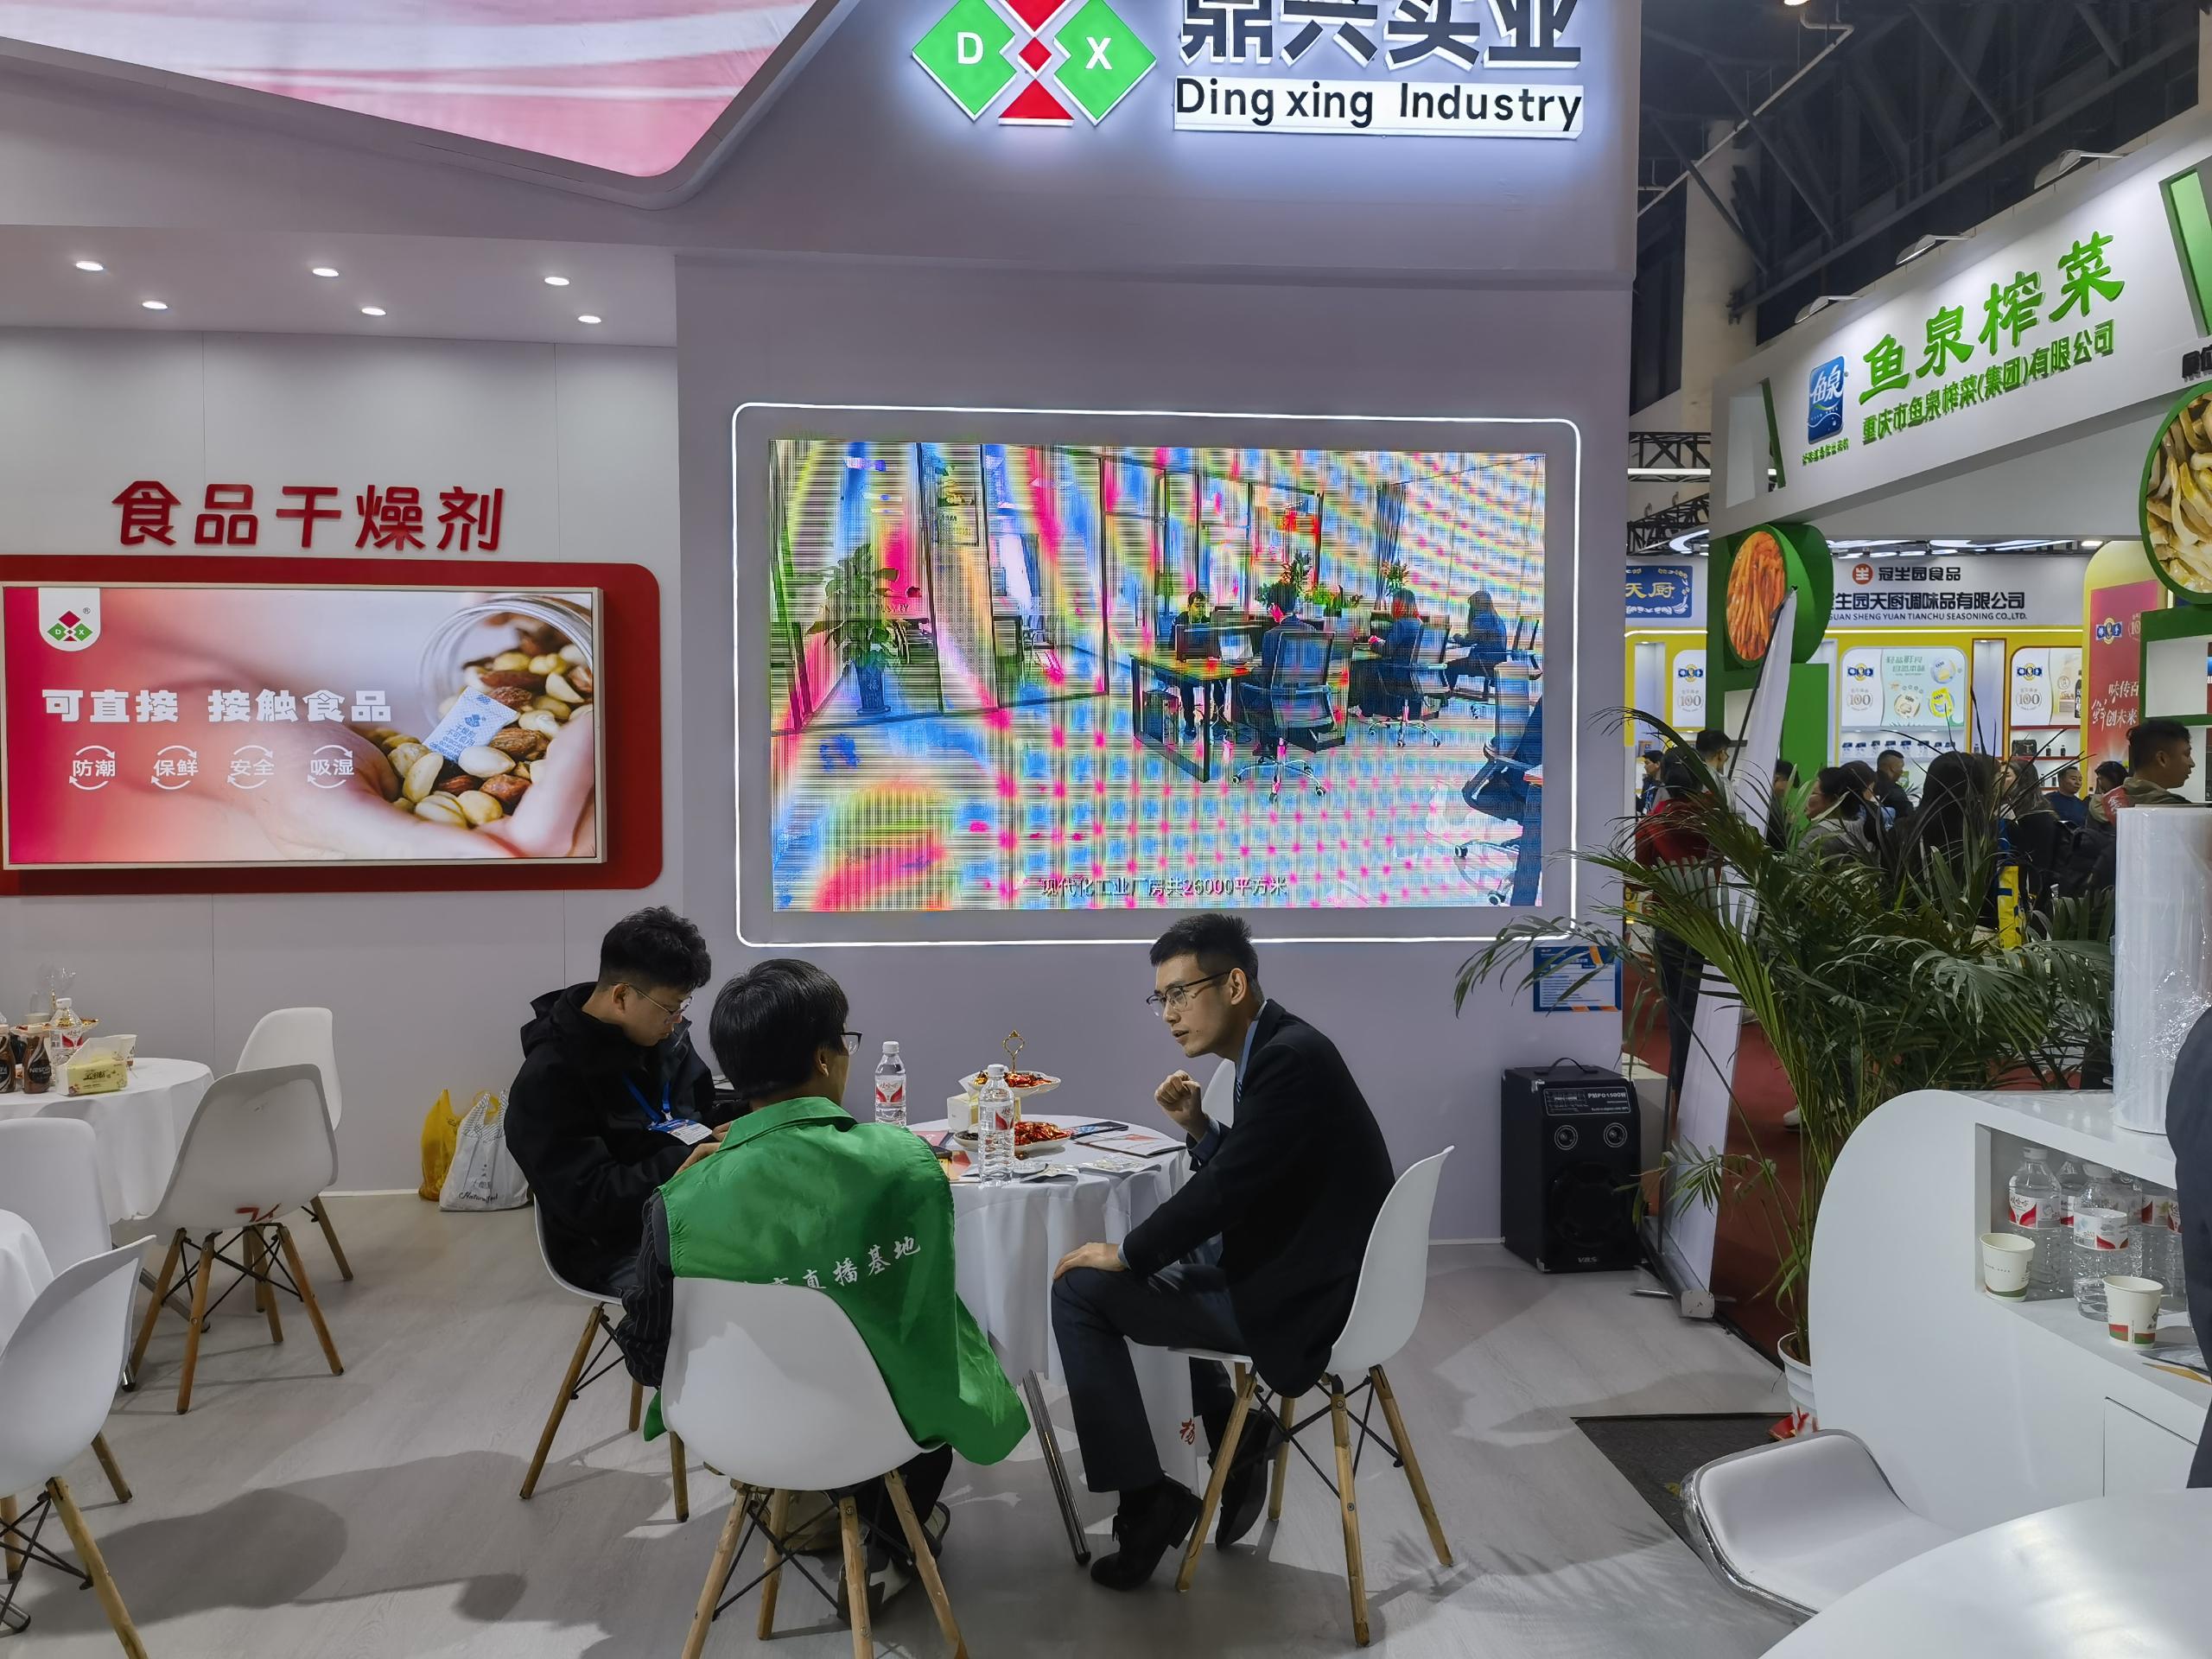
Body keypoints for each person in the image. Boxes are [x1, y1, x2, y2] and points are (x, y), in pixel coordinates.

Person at [616, 959, 1027, 1601]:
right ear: (825, 1057)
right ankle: (889, 1542)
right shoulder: (905, 1161)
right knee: (943, 1385)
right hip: (880, 1426)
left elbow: (646, 1353)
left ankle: (855, 1523)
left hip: (731, 1424)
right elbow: (929, 1319)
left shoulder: (679, 1197)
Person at [1049, 914, 1393, 1591]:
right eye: (1161, 999)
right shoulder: (1283, 1045)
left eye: (1181, 993)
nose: (1169, 1015)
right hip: (1323, 1274)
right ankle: (1228, 1430)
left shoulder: (1285, 1061)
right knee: (1180, 1241)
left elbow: (1229, 1191)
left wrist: (1128, 1254)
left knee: (1080, 1291)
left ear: (1234, 984)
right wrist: (1201, 1128)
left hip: (1306, 1303)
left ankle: (1146, 1499)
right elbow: (1263, 1169)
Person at [506, 907, 728, 1296]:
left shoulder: (666, 1041)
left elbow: (700, 1113)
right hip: (616, 1248)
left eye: (683, 1006)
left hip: (692, 1212)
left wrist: (752, 1118)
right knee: (755, 1279)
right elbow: (592, 1202)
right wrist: (690, 1161)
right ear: (622, 996)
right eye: (670, 1008)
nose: (677, 1020)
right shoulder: (550, 1079)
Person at [1635, 752, 1713, 1117]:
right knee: (1715, 1007)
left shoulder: (1655, 820)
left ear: (1664, 779)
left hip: (1673, 919)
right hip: (1717, 920)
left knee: (1680, 1008)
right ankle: (1714, 1092)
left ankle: (1684, 1089)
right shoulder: (1719, 816)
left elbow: (1642, 872)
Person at [1170, 592, 1226, 738]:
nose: (1201, 609)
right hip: (1185, 665)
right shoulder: (1180, 620)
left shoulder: (1208, 622)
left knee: (1222, 678)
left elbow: (1214, 645)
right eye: (1197, 606)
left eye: (1203, 606)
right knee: (1186, 682)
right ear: (1189, 606)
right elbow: (1172, 646)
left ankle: (1218, 716)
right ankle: (1189, 721)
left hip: (1204, 664)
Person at [1443, 588, 1509, 701]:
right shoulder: (1496, 618)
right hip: (1496, 661)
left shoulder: (1481, 619)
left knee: (1449, 666)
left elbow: (1468, 641)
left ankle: (1444, 697)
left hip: (1483, 662)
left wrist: (1456, 637)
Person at [1803, 766, 1878, 862]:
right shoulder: (1865, 828)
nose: (1806, 798)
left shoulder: (1819, 837)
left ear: (1834, 800)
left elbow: (1795, 868)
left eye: (1812, 793)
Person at [1873, 749, 1915, 823]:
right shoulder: (1895, 790)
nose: (1902, 771)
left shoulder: (1867, 783)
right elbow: (1908, 815)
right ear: (1892, 768)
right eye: (1901, 767)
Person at [2046, 764, 2088, 830]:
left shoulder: (2081, 804)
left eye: (2080, 780)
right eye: (2073, 779)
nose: (2078, 783)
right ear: (2060, 780)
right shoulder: (2047, 801)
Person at [1636, 747, 1663, 815]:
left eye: (1647, 763)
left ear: (1657, 764)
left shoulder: (1664, 786)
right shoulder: (1647, 782)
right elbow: (1641, 806)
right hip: (1646, 819)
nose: (1645, 767)